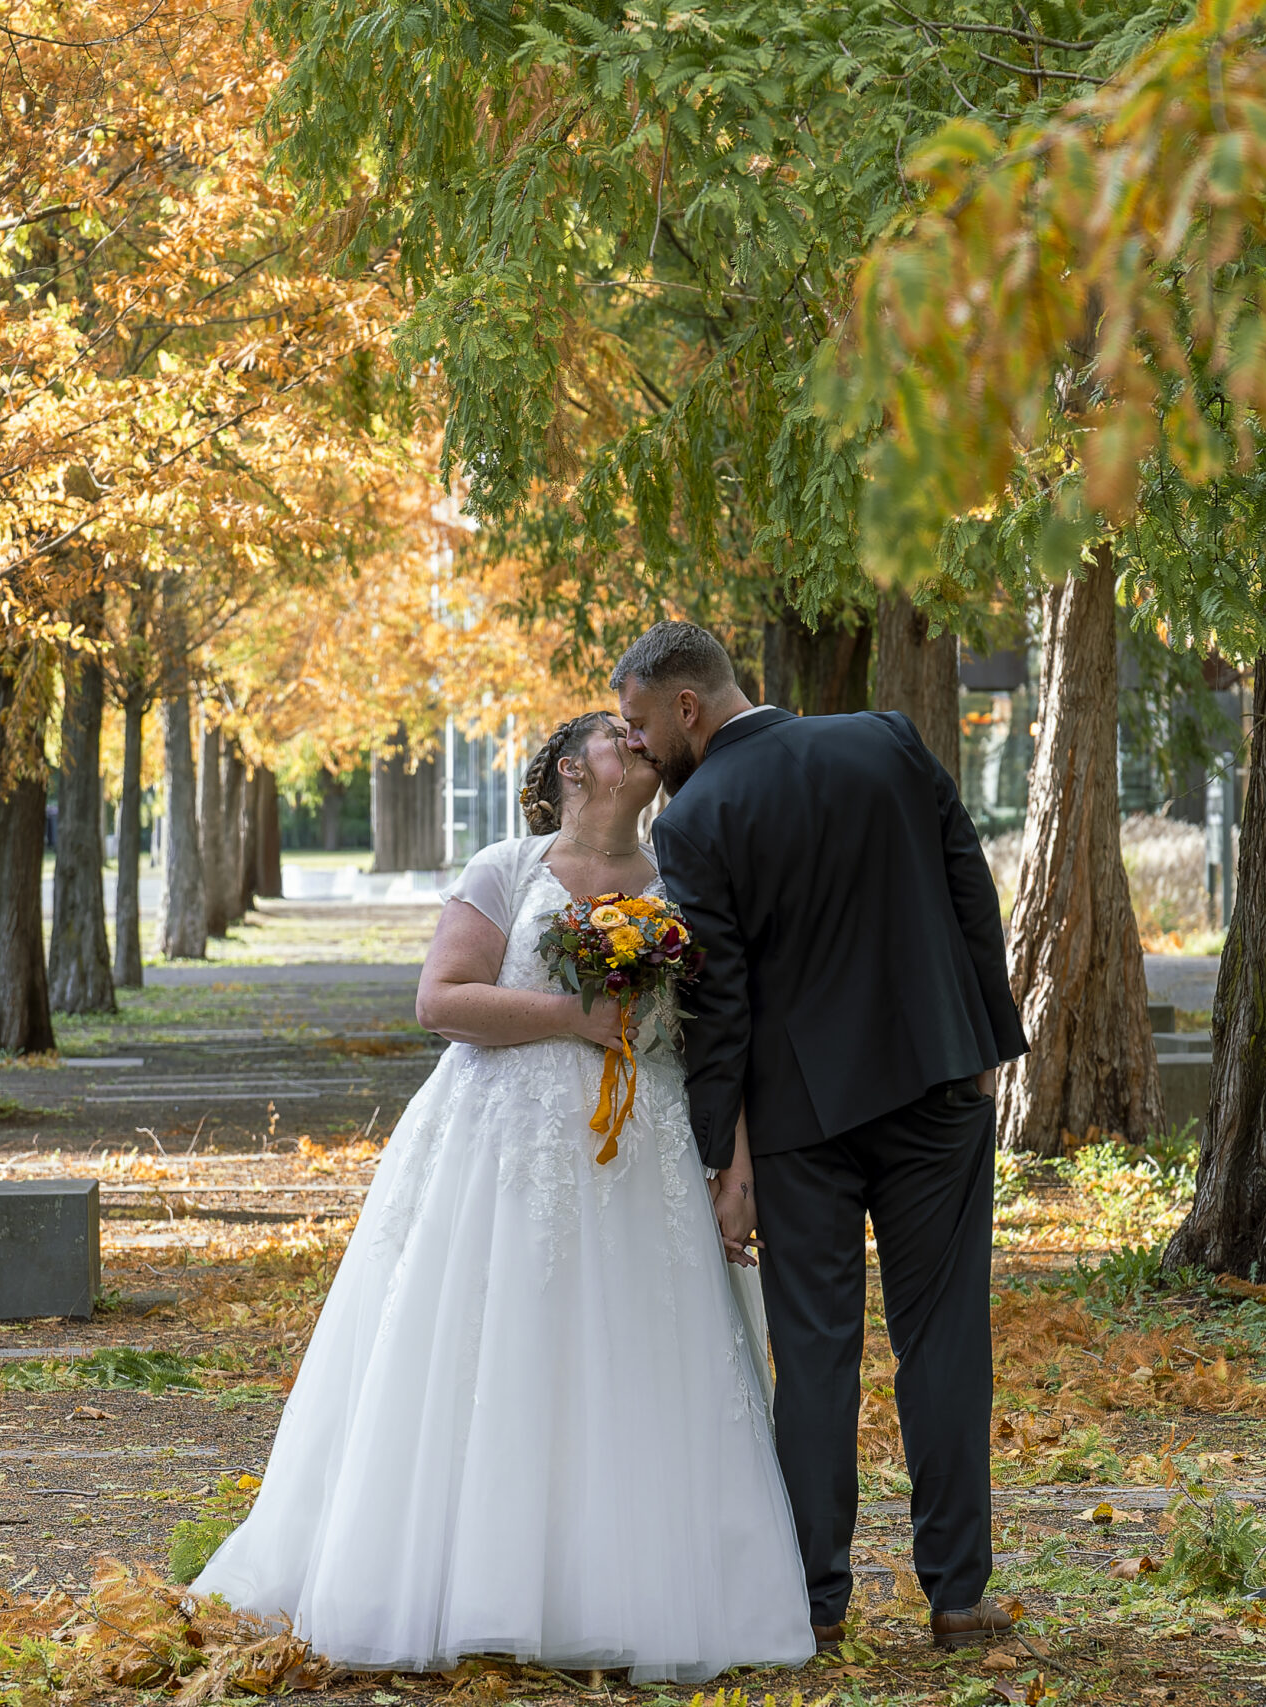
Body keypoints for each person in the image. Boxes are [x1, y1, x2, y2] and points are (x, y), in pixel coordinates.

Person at [191, 712, 814, 1682]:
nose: (639, 740)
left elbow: (709, 1041)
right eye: (617, 733)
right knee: (493, 1350)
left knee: (631, 1360)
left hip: (638, 1152)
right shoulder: (507, 867)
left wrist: (735, 1168)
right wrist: (577, 1017)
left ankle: (616, 1589)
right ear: (572, 769)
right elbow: (441, 1000)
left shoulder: (680, 881)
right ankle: (467, 1580)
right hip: (495, 1151)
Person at [613, 621, 1028, 1652]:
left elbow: (722, 1006)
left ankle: (814, 1597)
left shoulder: (697, 816)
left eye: (638, 725)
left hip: (802, 1124)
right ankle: (958, 1594)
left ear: (687, 709)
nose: (637, 748)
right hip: (937, 1084)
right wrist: (987, 1039)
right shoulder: (885, 740)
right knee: (945, 1338)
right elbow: (969, 888)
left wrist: (726, 1159)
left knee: (815, 1355)